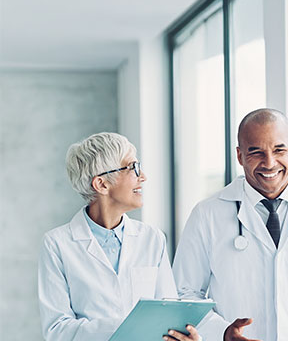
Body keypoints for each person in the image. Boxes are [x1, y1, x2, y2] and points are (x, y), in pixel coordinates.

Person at [173, 108, 288, 341]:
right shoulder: (207, 214)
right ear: (240, 156)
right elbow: (185, 292)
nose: (269, 163)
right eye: (256, 152)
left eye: (279, 149)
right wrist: (222, 332)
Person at [38, 132, 200, 341]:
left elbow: (168, 312)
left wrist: (182, 336)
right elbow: (57, 330)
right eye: (133, 168)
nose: (143, 177)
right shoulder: (57, 244)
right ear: (101, 184)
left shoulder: (152, 238)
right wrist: (128, 327)